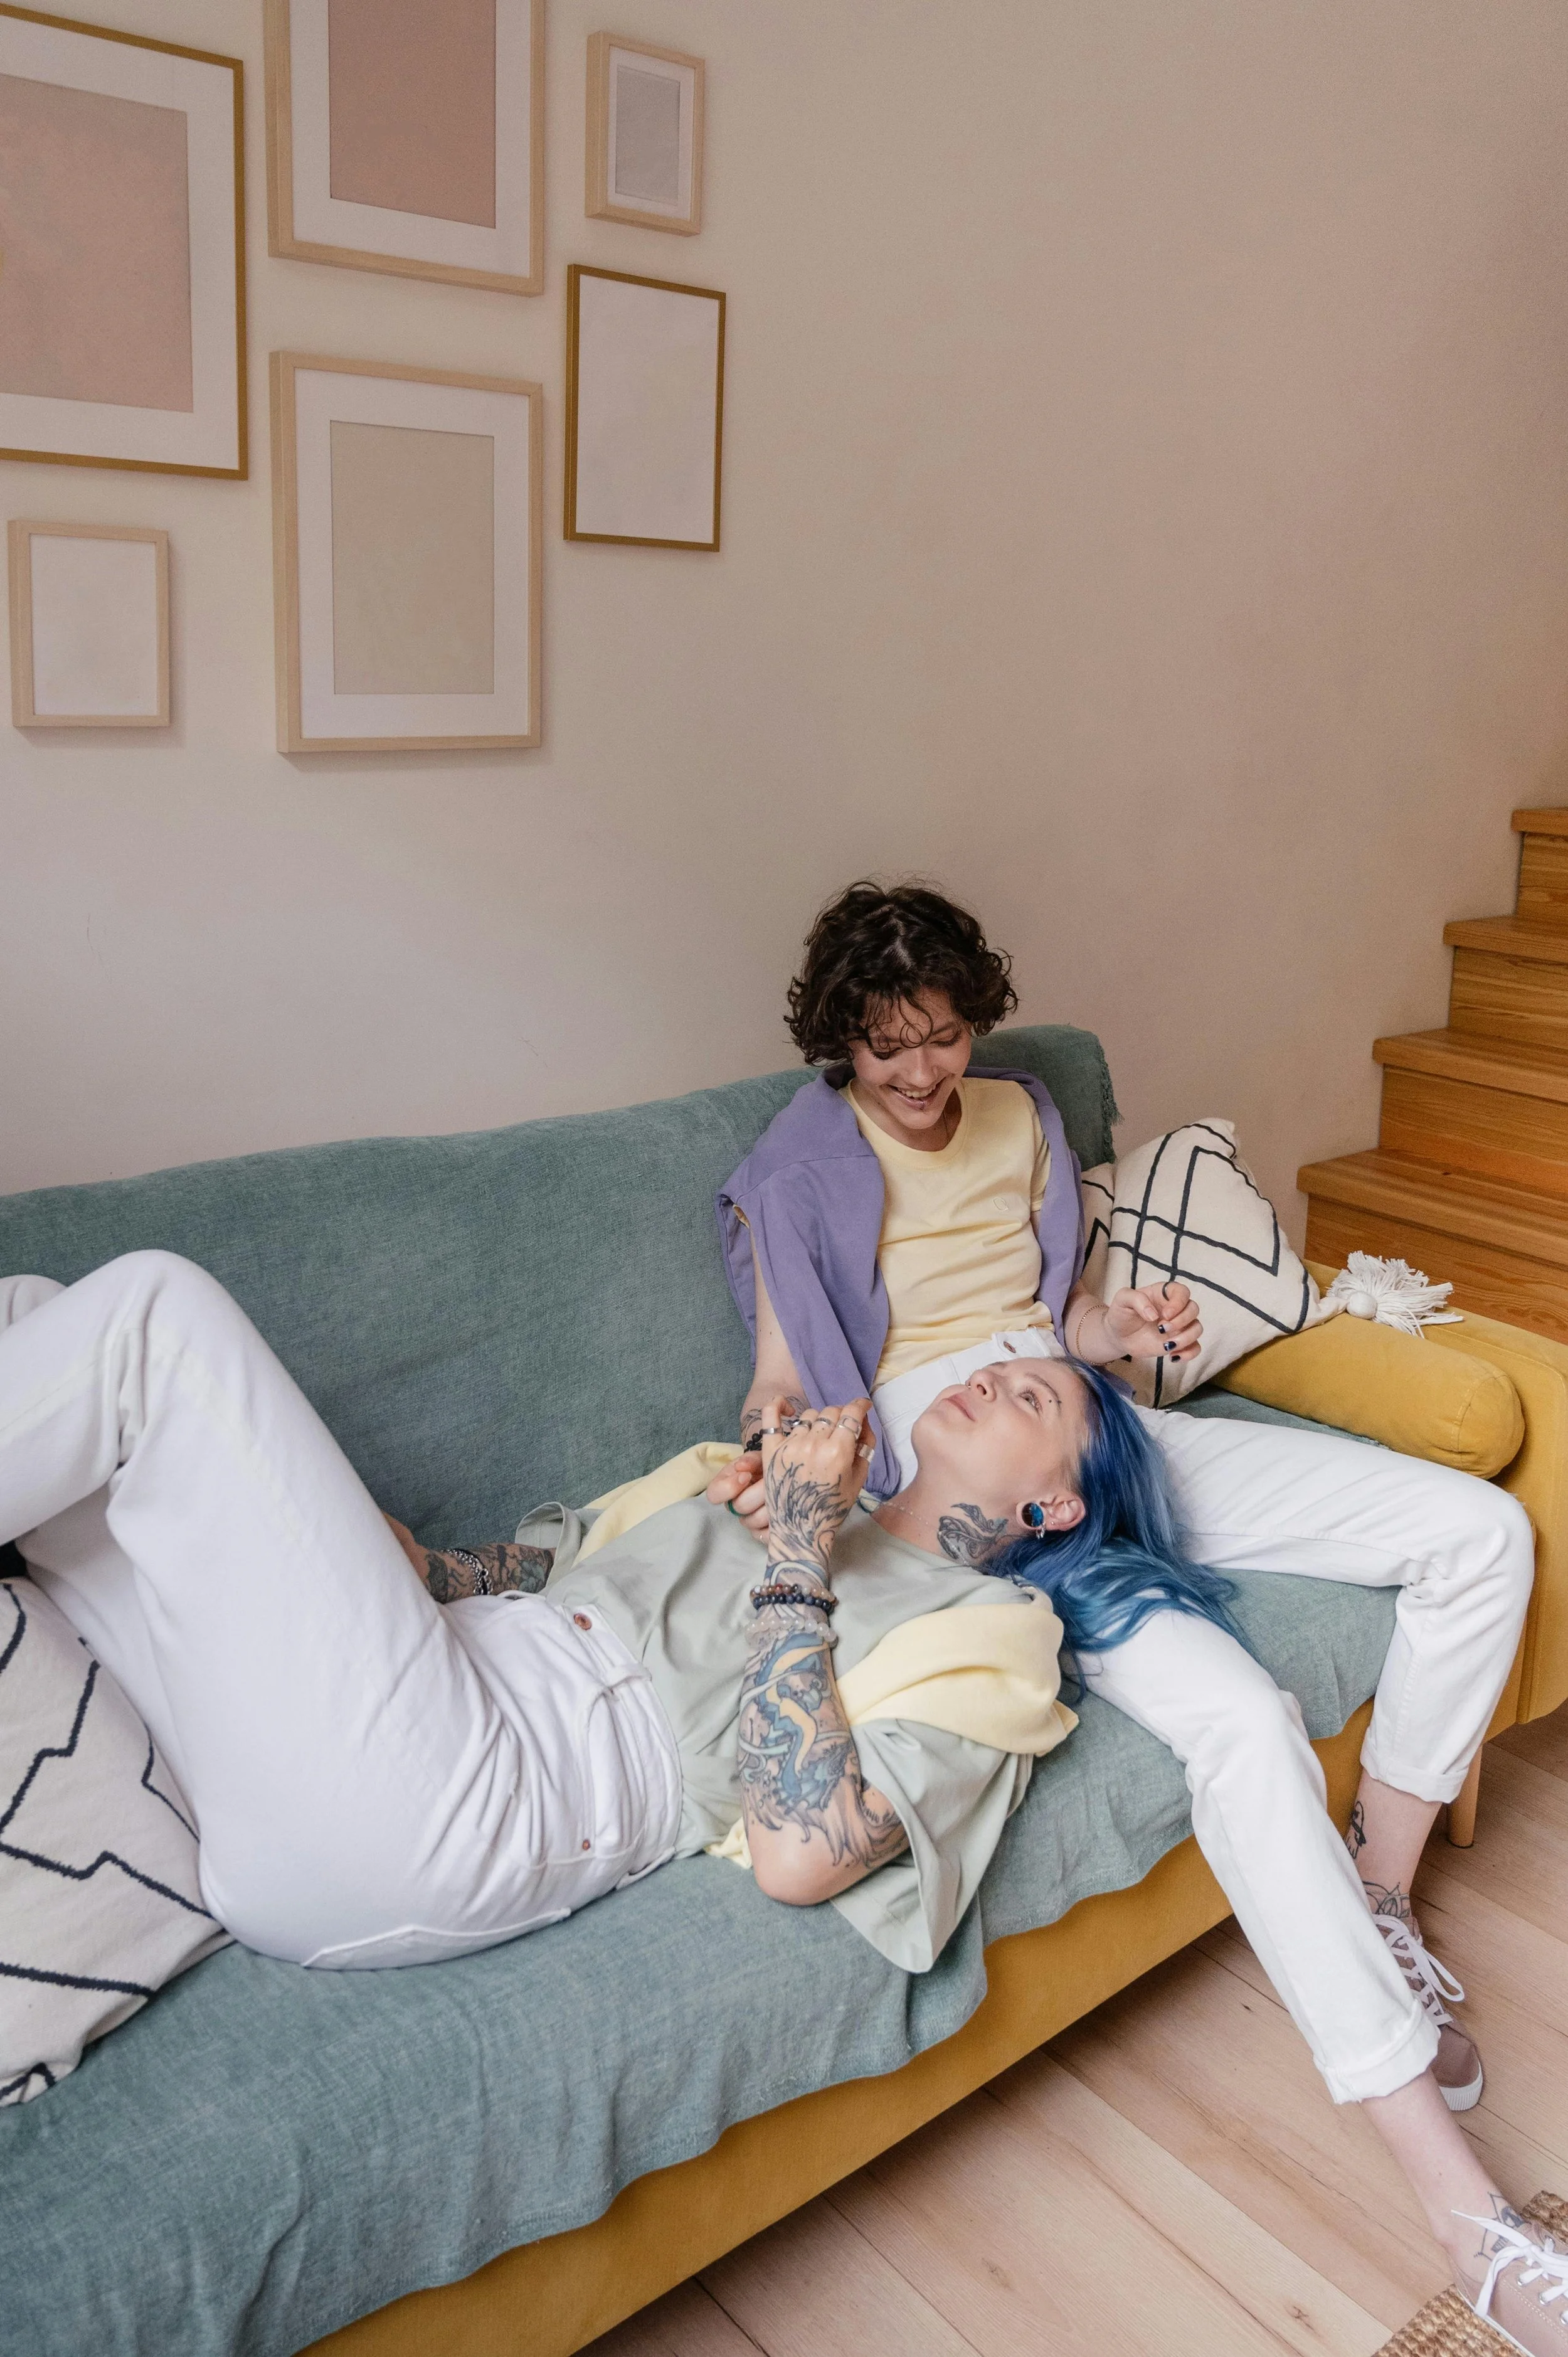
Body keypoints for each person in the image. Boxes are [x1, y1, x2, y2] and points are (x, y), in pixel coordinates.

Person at [709, 880, 1565, 2346]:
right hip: (966, 1458)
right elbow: (785, 1378)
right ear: (836, 1039)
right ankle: (1459, 2215)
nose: (920, 1076)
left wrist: (1119, 1331)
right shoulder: (794, 1167)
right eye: (884, 1047)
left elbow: (1062, 1309)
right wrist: (783, 1455)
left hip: (1083, 1414)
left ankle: (1373, 1894)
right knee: (1236, 1713)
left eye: (942, 1037)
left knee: (1479, 1535)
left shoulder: (1027, 1110)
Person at [1, 1248, 1216, 1981]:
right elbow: (456, 1580)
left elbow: (802, 1856)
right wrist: (326, 1528)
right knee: (40, 1315)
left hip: (467, 1803)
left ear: (1056, 1503)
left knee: (155, 1316)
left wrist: (795, 1546)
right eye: (986, 1367)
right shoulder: (744, 1476)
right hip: (359, 1720)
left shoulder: (996, 1635)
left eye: (1026, 1396)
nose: (981, 1377)